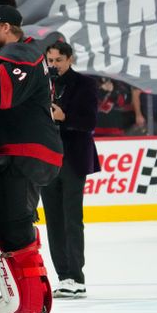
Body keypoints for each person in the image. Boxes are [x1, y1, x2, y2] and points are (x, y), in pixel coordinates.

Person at [0, 4, 61, 313]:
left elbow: (2, 96)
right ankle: (33, 305)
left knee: (15, 228)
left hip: (25, 153)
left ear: (7, 28)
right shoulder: (17, 53)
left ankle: (31, 311)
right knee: (13, 226)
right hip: (21, 152)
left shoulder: (21, 52)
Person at [42, 41, 100, 299]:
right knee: (54, 220)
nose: (54, 65)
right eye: (50, 61)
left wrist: (65, 118)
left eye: (58, 61)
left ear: (70, 60)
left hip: (73, 158)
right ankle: (64, 276)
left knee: (71, 219)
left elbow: (89, 122)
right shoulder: (41, 83)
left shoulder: (85, 84)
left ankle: (77, 277)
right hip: (47, 159)